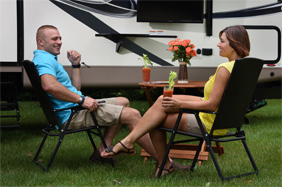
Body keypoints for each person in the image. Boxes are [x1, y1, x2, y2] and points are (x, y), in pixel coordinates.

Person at [101, 25, 251, 176]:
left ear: (234, 44)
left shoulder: (225, 69)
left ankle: (161, 163)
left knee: (156, 121)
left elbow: (211, 104)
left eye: (222, 41)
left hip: (208, 122)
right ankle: (131, 143)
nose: (218, 44)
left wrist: (181, 105)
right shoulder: (242, 67)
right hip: (222, 121)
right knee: (163, 99)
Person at [32, 25, 188, 170]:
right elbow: (49, 86)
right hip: (70, 114)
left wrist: (76, 66)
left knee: (124, 101)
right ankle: (165, 164)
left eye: (60, 38)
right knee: (133, 115)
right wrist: (81, 100)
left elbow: (74, 89)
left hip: (71, 107)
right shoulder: (44, 59)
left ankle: (102, 152)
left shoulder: (45, 58)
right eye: (54, 39)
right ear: (41, 41)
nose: (59, 42)